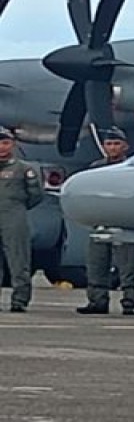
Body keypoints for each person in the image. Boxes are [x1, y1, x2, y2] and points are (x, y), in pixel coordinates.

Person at [76, 128, 134, 316]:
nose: (112, 148)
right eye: (109, 144)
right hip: (100, 221)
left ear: (125, 146)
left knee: (127, 265)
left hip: (124, 222)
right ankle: (97, 301)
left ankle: (129, 302)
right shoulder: (95, 168)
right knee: (96, 263)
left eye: (116, 144)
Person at [0, 126, 42, 313]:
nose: (1, 147)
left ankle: (20, 299)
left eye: (5, 142)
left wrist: (17, 208)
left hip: (13, 215)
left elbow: (36, 195)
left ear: (13, 144)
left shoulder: (24, 169)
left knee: (18, 259)